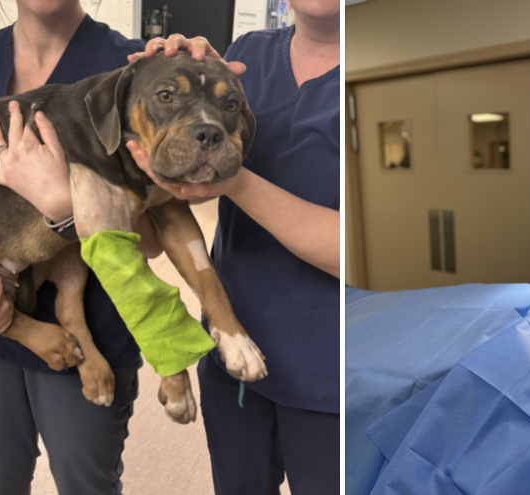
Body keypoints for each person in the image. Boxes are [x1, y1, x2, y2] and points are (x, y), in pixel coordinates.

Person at [0, 1, 228, 492]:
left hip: (98, 325)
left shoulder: (138, 70)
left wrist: (65, 206)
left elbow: (153, 234)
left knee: (87, 482)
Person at [127, 1, 341, 492]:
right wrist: (165, 87)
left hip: (335, 369)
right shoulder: (244, 56)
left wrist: (236, 181)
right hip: (235, 346)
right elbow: (154, 239)